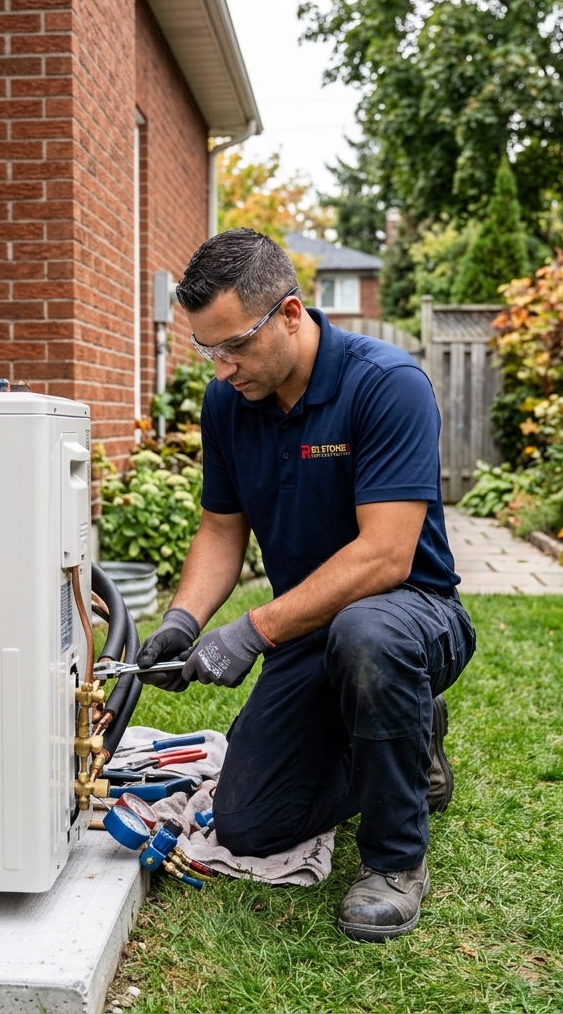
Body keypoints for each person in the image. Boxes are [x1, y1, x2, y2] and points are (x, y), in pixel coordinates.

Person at [135, 228, 475, 941]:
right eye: (206, 348)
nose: (221, 368)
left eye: (234, 345)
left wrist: (251, 631)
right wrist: (182, 622)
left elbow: (385, 557)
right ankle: (408, 740)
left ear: (290, 313)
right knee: (250, 823)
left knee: (367, 634)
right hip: (309, 628)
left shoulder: (385, 385)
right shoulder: (229, 402)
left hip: (411, 616)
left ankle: (395, 861)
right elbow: (221, 530)